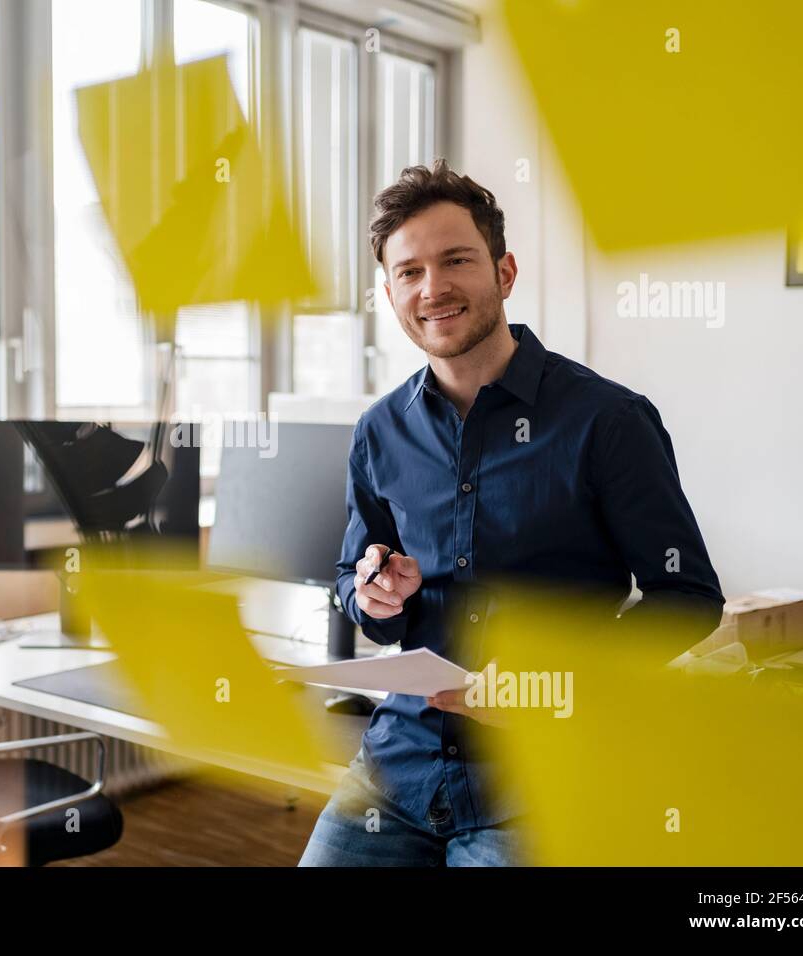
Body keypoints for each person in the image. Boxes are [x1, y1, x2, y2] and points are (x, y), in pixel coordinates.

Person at [298, 159, 724, 867]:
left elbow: (688, 599)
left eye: (455, 260)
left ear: (504, 272)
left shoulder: (609, 421)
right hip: (396, 767)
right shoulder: (380, 429)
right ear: (390, 293)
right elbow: (358, 583)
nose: (432, 288)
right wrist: (373, 593)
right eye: (408, 272)